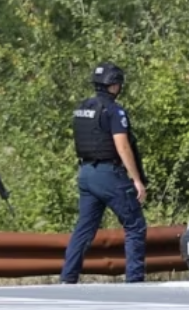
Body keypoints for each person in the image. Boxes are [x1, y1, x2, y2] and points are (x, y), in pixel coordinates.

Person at [59, 61, 148, 284]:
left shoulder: (84, 107)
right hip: (109, 174)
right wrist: (136, 179)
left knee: (84, 228)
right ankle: (135, 280)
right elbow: (123, 145)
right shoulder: (114, 110)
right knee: (135, 225)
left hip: (86, 173)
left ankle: (67, 277)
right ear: (114, 85)